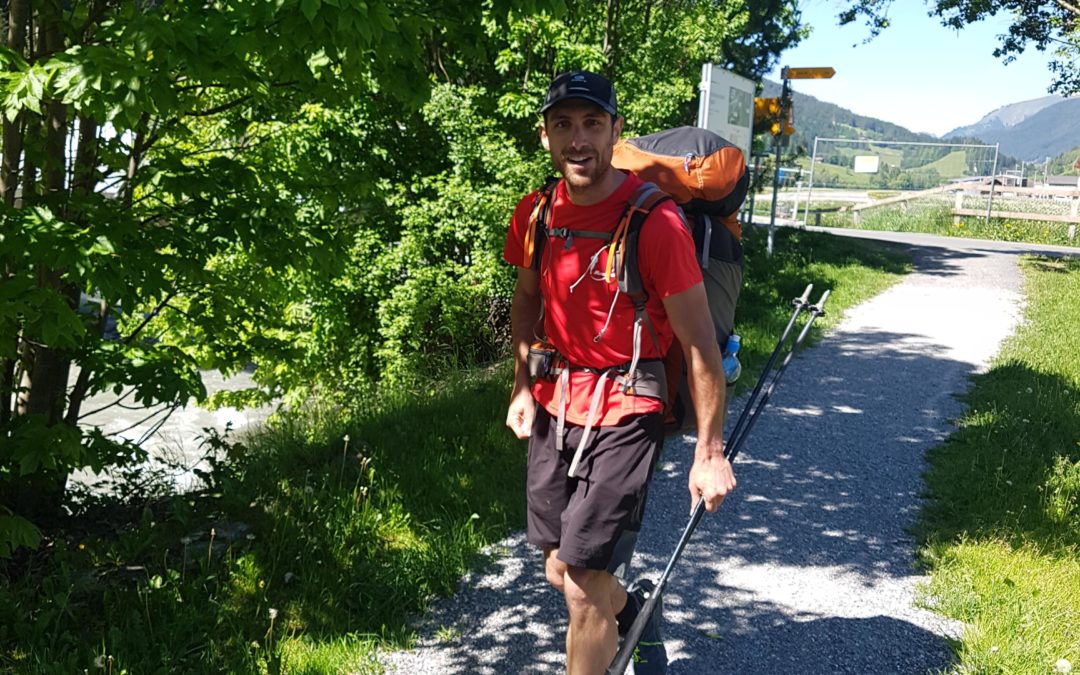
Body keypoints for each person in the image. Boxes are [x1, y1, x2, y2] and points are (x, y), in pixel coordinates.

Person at [503, 70, 736, 675]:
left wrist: (709, 452)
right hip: (558, 397)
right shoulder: (536, 214)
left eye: (592, 124)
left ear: (615, 131)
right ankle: (633, 611)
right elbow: (528, 299)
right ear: (546, 136)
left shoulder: (654, 224)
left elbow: (700, 346)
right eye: (563, 125)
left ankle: (607, 625)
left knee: (582, 585)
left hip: (630, 403)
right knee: (559, 569)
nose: (577, 140)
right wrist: (523, 386)